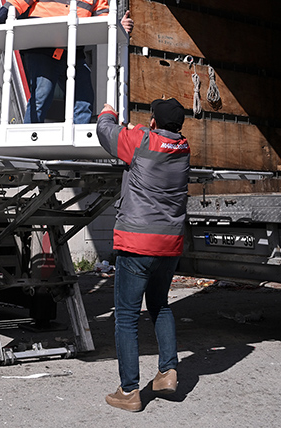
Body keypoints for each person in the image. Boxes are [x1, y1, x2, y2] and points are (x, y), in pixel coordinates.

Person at [96, 98, 190, 412]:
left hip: (137, 244)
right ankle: (167, 372)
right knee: (160, 304)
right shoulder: (183, 149)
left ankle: (129, 391)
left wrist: (108, 110)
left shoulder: (141, 141)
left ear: (153, 122)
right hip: (169, 245)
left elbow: (106, 132)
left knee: (126, 318)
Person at [0, 0, 134, 124]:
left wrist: (118, 26)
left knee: (84, 102)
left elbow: (103, 21)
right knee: (41, 97)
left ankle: (71, 155)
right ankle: (29, 149)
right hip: (42, 50)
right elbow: (17, 3)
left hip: (74, 53)